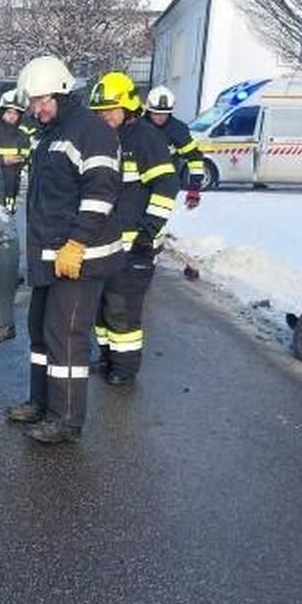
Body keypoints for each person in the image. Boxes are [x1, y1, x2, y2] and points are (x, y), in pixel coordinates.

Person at [4, 56, 122, 444]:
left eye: (43, 100)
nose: (37, 108)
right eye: (33, 102)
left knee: (66, 335)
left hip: (80, 258)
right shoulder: (52, 133)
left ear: (63, 92)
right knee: (40, 331)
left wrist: (77, 243)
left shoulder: (90, 132)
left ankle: (66, 419)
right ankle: (40, 402)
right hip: (52, 256)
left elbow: (100, 195)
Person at [89, 72, 180, 386]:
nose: (105, 116)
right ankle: (107, 359)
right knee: (102, 308)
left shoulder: (144, 138)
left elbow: (167, 184)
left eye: (110, 109)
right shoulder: (106, 138)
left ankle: (125, 370)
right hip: (107, 245)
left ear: (127, 106)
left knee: (122, 310)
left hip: (136, 245)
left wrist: (149, 230)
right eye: (100, 111)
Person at [145, 86, 204, 209]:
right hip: (139, 185)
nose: (160, 117)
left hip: (166, 185)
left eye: (165, 113)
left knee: (156, 220)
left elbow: (195, 159)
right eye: (156, 113)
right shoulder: (138, 127)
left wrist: (194, 190)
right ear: (148, 109)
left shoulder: (178, 130)